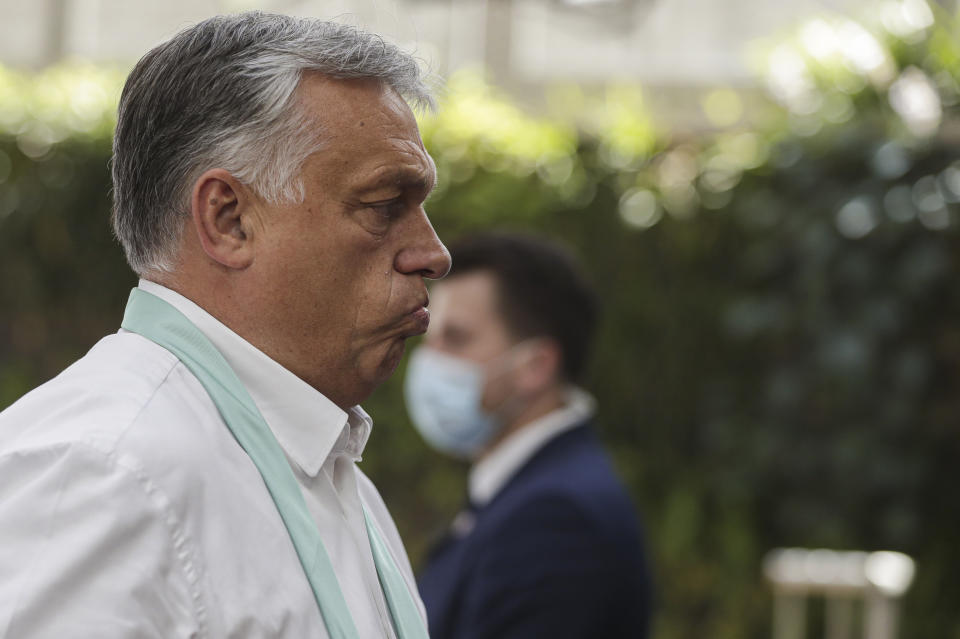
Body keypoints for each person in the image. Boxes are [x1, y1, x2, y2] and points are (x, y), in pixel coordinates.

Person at [0, 13, 449, 639]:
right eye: (383, 207)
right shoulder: (104, 469)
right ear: (229, 219)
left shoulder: (335, 477)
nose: (433, 252)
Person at [406, 233, 653, 639]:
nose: (429, 361)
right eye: (428, 338)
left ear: (535, 367)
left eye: (456, 338)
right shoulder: (526, 491)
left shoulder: (556, 520)